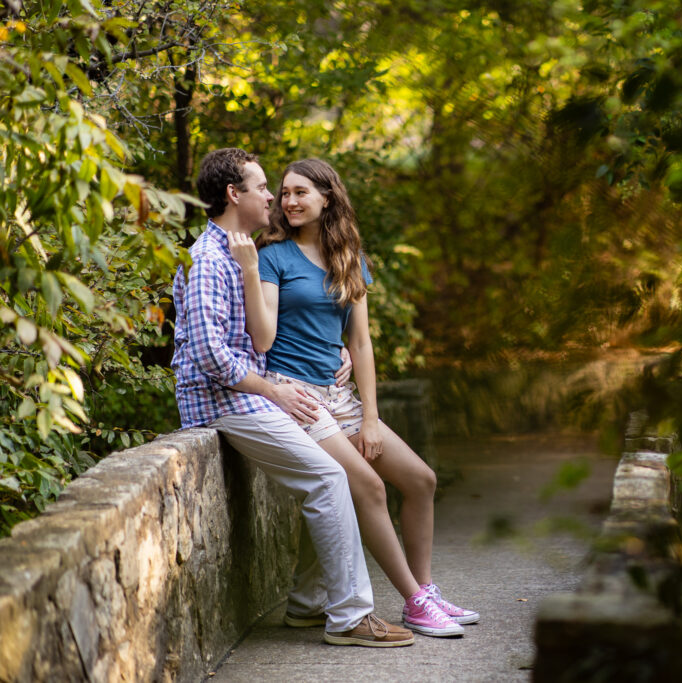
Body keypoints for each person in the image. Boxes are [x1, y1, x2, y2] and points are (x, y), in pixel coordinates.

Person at [227, 158, 479, 637]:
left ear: (328, 197)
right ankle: (416, 600)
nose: (289, 201)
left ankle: (423, 594)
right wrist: (250, 271)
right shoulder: (273, 255)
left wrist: (371, 418)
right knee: (369, 486)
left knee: (422, 480)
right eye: (283, 193)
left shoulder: (351, 258)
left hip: (342, 396)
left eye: (301, 192)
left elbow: (360, 343)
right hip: (298, 395)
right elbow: (265, 335)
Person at [172, 148, 414, 647]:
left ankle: (306, 606)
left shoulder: (239, 253)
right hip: (224, 403)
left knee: (330, 479)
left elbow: (265, 337)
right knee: (330, 477)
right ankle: (348, 617)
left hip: (257, 395)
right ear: (234, 194)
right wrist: (273, 389)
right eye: (264, 188)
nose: (273, 198)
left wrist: (335, 355)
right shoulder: (205, 260)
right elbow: (209, 357)